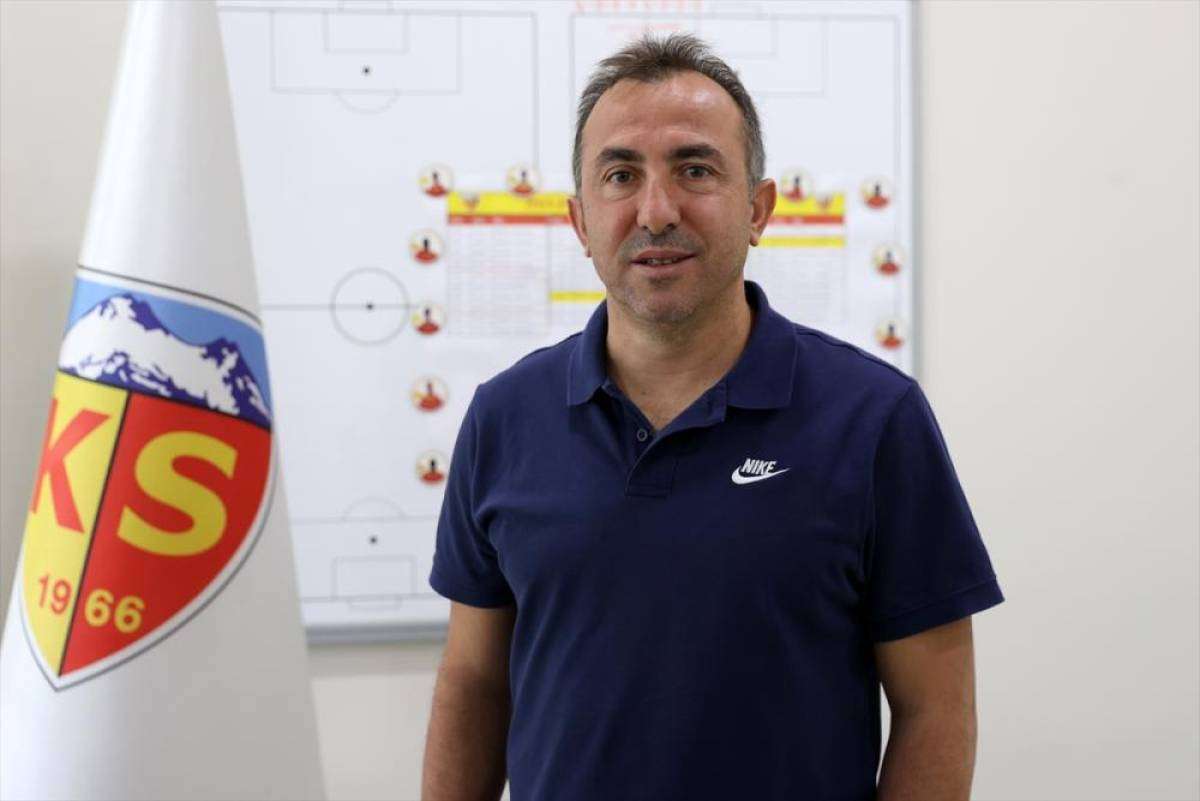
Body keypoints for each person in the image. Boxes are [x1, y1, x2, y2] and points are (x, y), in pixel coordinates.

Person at [422, 33, 1003, 801]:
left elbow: (936, 709)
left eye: (695, 169)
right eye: (620, 175)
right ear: (580, 221)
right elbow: (473, 681)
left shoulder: (875, 420)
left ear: (758, 208)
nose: (656, 211)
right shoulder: (504, 417)